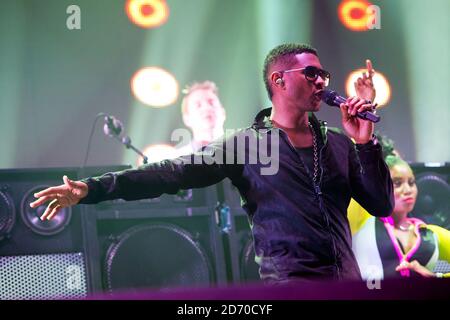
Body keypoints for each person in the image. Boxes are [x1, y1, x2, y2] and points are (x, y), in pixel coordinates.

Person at [30, 43, 394, 283]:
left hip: (346, 282)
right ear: (279, 80)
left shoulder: (341, 144)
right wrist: (92, 188)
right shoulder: (246, 145)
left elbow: (381, 204)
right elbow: (170, 173)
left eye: (324, 75)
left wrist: (365, 142)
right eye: (311, 73)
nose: (322, 81)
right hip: (289, 286)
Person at [349, 147, 450, 279]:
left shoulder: (431, 234)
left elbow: (443, 269)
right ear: (378, 186)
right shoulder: (362, 224)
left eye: (411, 182)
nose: (408, 190)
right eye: (397, 183)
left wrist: (436, 276)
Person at [177, 81, 226, 156]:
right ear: (187, 119)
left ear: (223, 112)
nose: (207, 108)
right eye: (198, 105)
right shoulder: (176, 160)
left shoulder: (245, 153)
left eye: (211, 102)